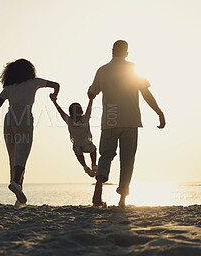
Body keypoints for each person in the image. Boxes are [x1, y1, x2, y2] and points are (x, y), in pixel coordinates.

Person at [88, 40, 166, 208]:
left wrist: (91, 91)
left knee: (106, 155)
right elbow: (146, 93)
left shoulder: (102, 70)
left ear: (112, 51)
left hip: (110, 119)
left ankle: (98, 191)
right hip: (130, 120)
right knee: (127, 160)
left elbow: (91, 93)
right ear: (127, 53)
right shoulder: (133, 69)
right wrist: (159, 112)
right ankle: (122, 199)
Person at [0, 58, 60, 207]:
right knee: (22, 154)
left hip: (9, 118)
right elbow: (56, 85)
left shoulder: (10, 87)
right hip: (24, 116)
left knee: (13, 156)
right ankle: (15, 183)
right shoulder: (34, 82)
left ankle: (19, 197)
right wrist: (54, 96)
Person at [50, 96, 98, 177]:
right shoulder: (85, 119)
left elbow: (61, 112)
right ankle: (93, 165)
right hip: (87, 143)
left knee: (79, 154)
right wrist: (91, 99)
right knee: (93, 150)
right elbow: (89, 108)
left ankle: (85, 166)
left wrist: (55, 102)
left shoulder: (69, 121)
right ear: (81, 111)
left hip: (77, 145)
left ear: (70, 113)